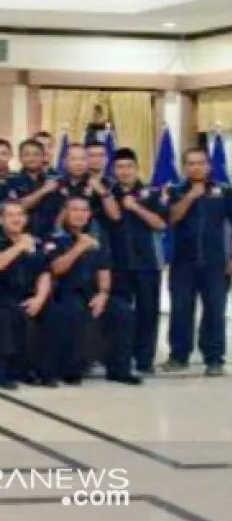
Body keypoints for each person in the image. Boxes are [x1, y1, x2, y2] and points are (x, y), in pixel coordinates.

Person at [43, 197, 140, 386]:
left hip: (93, 291)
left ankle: (120, 369)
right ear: (65, 212)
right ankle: (71, 369)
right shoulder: (54, 238)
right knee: (74, 313)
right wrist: (79, 247)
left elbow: (104, 268)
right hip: (64, 290)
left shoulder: (97, 237)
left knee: (123, 312)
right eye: (74, 210)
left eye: (84, 210)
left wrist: (103, 293)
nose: (79, 214)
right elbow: (56, 269)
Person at [162, 147, 232, 377]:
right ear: (184, 167)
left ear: (209, 166)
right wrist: (191, 196)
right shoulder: (175, 191)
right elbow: (171, 219)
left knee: (215, 311)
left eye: (201, 163)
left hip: (215, 263)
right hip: (183, 262)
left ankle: (214, 358)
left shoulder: (223, 191)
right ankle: (178, 356)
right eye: (191, 163)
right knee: (181, 310)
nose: (196, 167)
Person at [0, 201, 53, 388]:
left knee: (57, 314)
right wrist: (18, 247)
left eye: (20, 214)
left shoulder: (36, 243)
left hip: (28, 296)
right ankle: (0, 372)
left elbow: (45, 272)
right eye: (10, 215)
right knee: (4, 317)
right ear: (0, 220)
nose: (16, 219)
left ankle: (40, 369)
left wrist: (40, 298)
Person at [105, 148, 166, 374]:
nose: (124, 171)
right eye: (119, 167)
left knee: (147, 313)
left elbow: (161, 224)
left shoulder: (152, 193)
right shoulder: (108, 194)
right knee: (119, 313)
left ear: (137, 169)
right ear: (113, 170)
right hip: (117, 264)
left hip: (147, 263)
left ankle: (144, 360)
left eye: (129, 167)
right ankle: (118, 358)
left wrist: (135, 207)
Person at [7, 138, 63, 238]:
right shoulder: (11, 180)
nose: (31, 158)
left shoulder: (55, 181)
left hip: (50, 237)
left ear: (43, 157)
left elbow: (62, 209)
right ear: (20, 158)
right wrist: (44, 190)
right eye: (27, 154)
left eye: (36, 154)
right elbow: (19, 207)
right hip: (21, 237)